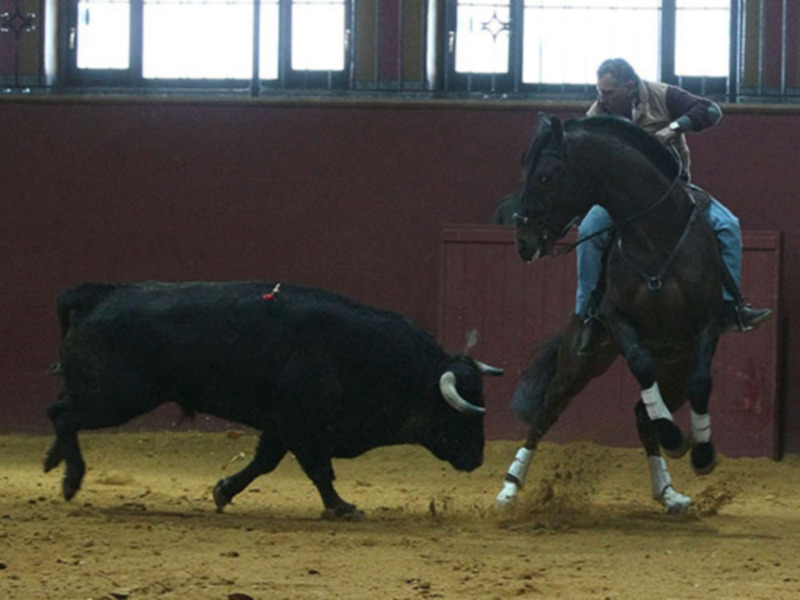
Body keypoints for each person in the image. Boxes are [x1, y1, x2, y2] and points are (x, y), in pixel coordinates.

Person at [577, 58, 770, 352]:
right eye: (600, 91)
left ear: (630, 87)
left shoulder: (661, 94)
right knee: (588, 232)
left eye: (608, 92)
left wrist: (673, 128)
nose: (602, 98)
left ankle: (732, 307)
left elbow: (711, 110)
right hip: (622, 199)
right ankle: (587, 314)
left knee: (728, 225)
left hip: (672, 189)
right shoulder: (597, 114)